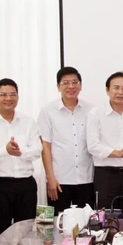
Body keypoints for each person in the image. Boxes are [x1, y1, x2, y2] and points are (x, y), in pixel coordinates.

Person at [0, 78, 42, 239]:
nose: (8, 98)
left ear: (17, 96)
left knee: (26, 235)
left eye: (12, 94)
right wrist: (5, 150)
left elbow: (37, 150)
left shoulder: (28, 121)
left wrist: (19, 152)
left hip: (26, 185)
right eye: (3, 94)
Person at [37, 67, 95, 213]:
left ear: (80, 85)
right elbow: (46, 146)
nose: (71, 86)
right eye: (66, 83)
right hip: (59, 180)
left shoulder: (92, 110)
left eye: (75, 82)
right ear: (58, 87)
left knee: (85, 224)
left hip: (86, 178)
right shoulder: (47, 111)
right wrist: (50, 178)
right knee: (58, 223)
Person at [87, 72, 123, 216]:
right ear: (107, 90)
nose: (120, 92)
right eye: (116, 87)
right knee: (106, 220)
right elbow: (93, 145)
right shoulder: (96, 113)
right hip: (106, 176)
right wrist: (117, 153)